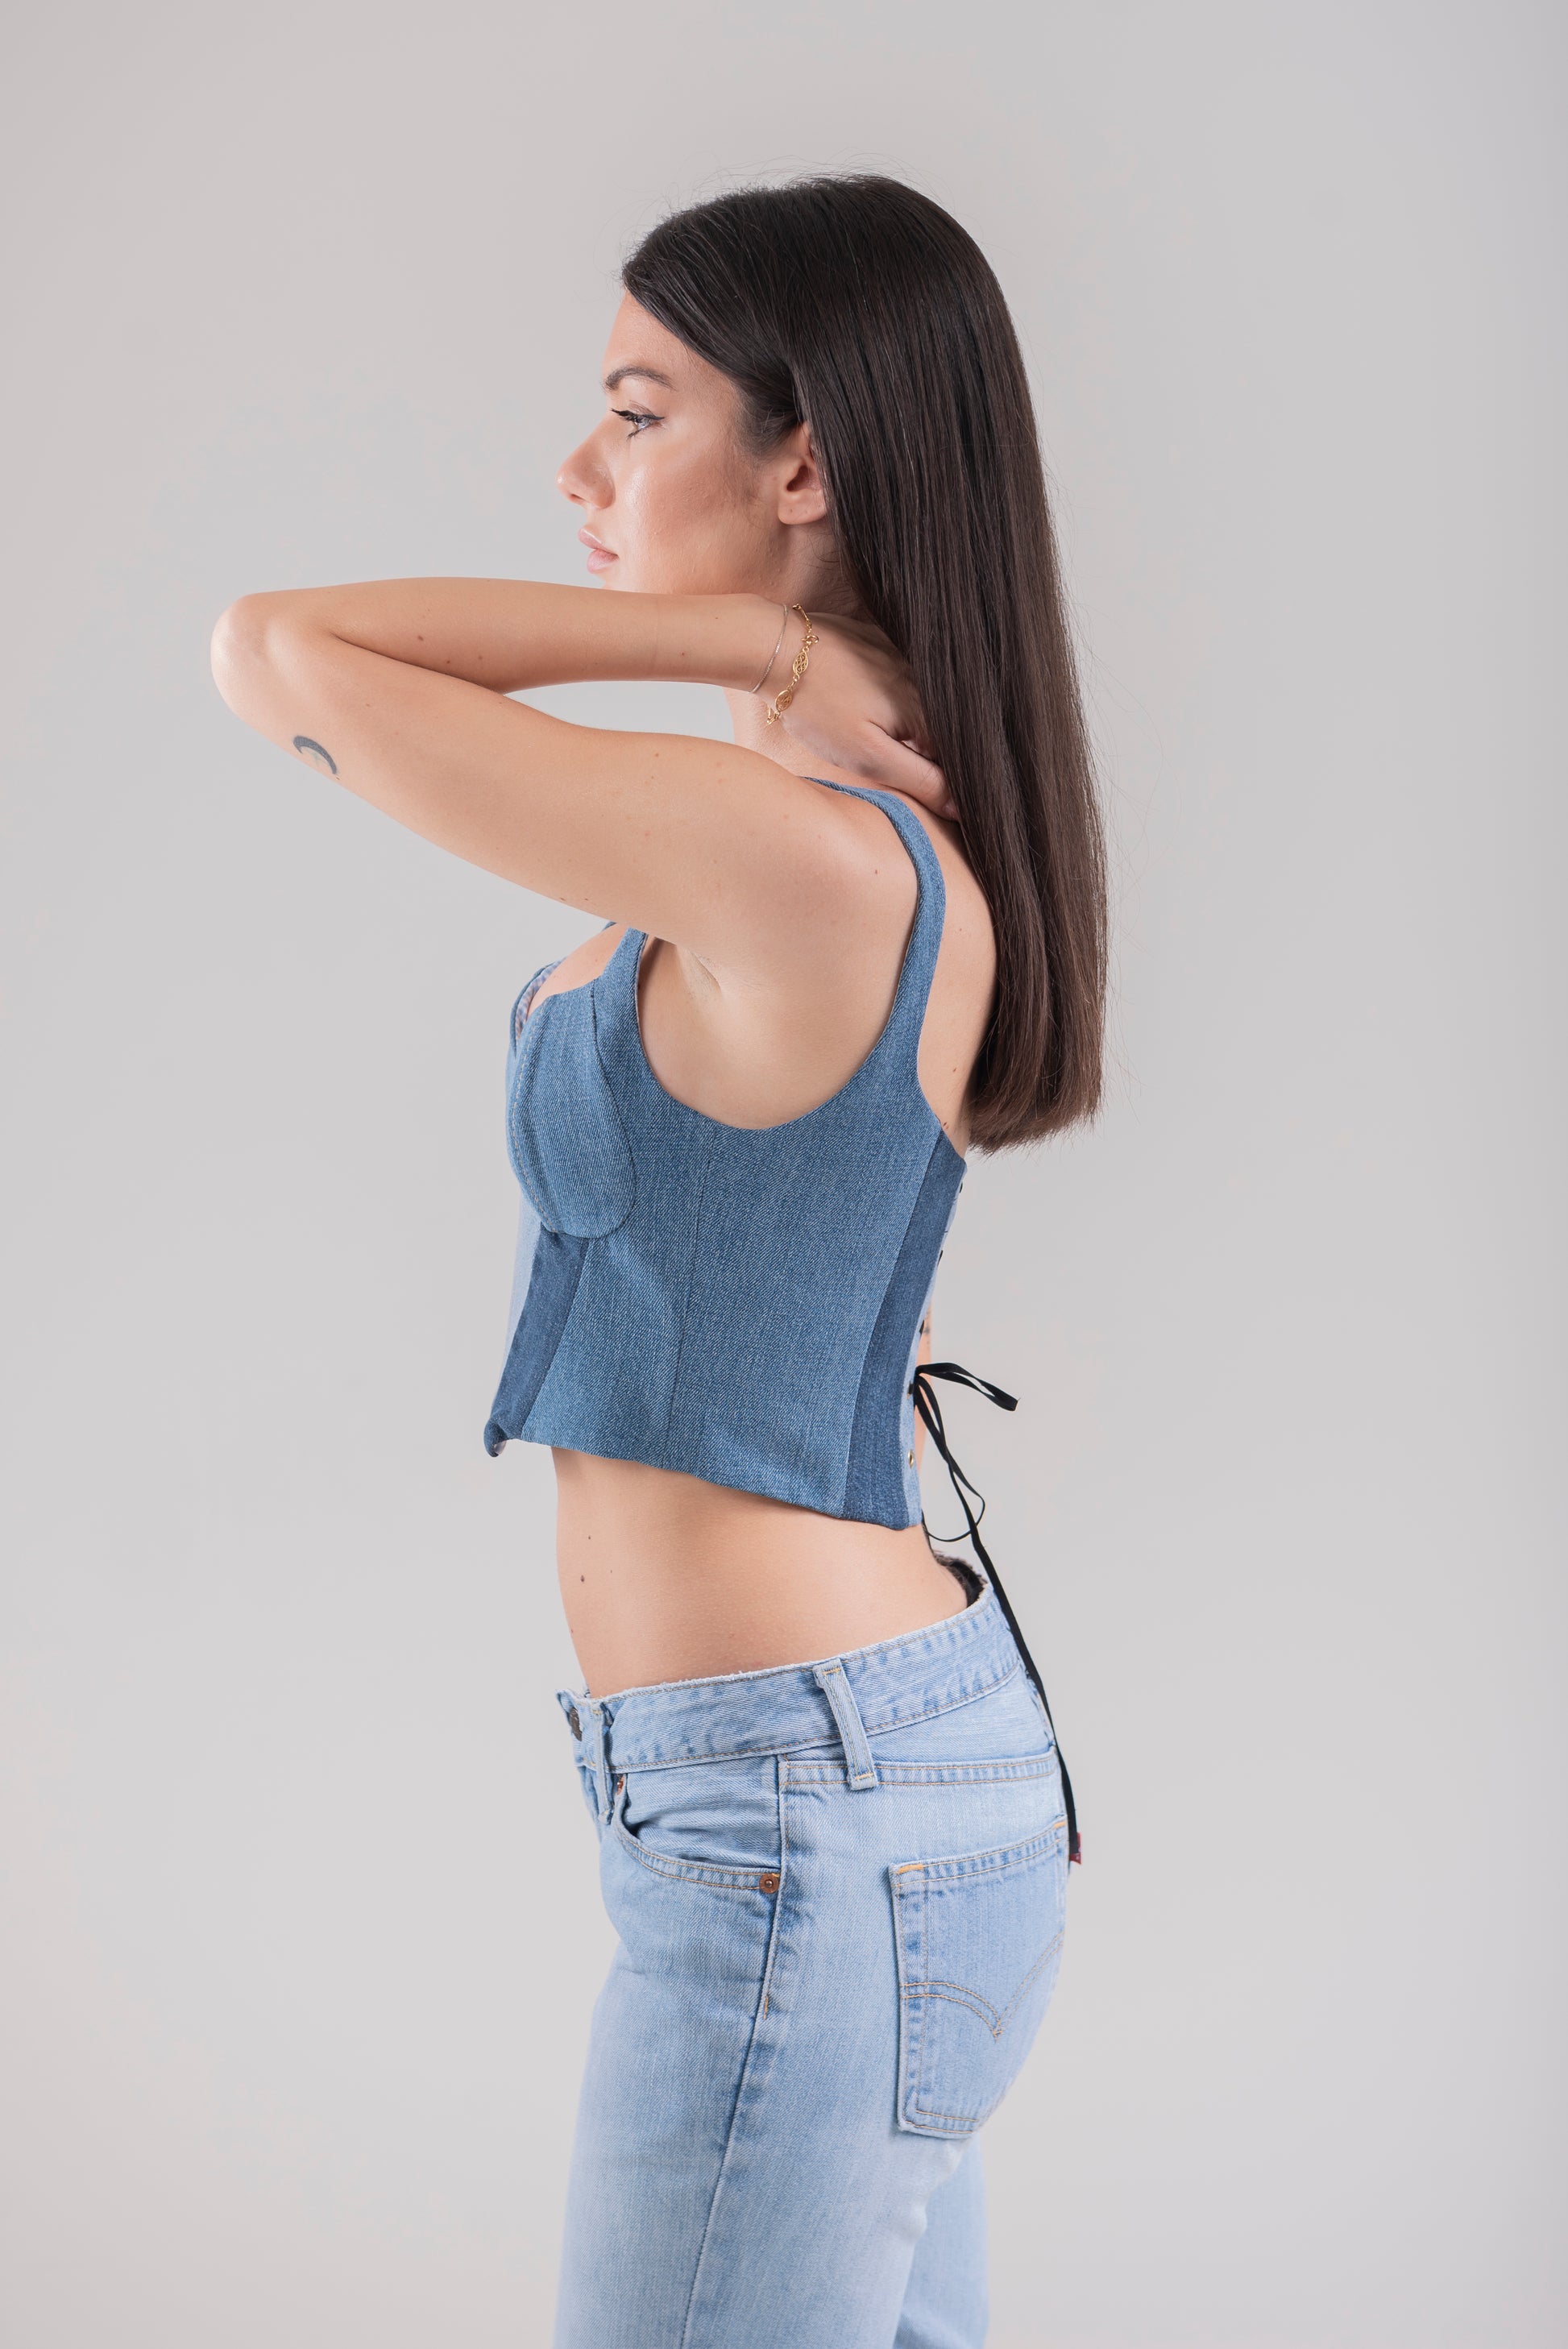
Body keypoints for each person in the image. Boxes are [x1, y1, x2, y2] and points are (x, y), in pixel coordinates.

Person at [211, 170, 1106, 2349]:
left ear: (804, 464)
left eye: (637, 412)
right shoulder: (812, 850)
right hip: (832, 1783)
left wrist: (749, 644)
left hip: (807, 1798)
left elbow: (273, 650)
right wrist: (763, 657)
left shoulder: (810, 860)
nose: (578, 471)